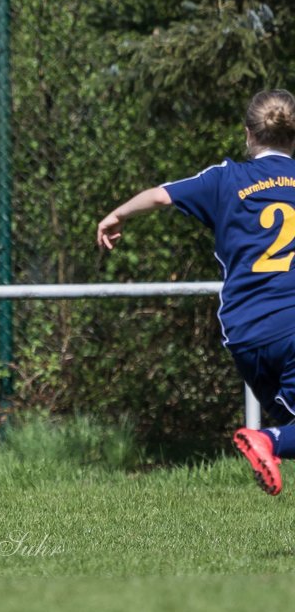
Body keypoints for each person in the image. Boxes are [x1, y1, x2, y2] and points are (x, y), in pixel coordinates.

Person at [97, 88, 295, 496]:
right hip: (291, 322)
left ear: (247, 134)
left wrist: (116, 215)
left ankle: (271, 443)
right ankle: (268, 441)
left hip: (243, 331)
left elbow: (160, 195)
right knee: (280, 437)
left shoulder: (224, 178)